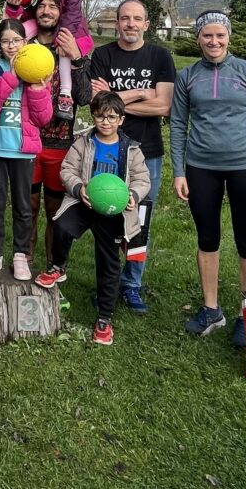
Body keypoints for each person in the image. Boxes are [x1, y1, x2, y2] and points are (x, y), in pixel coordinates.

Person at [171, 10, 246, 348]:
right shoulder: (187, 76)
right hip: (200, 166)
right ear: (198, 38)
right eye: (207, 35)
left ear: (229, 37)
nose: (214, 41)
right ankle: (210, 309)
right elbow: (178, 125)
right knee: (207, 239)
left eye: (220, 35)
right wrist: (179, 171)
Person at [80, 0, 176, 314]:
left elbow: (163, 106)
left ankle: (132, 285)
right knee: (106, 217)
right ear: (117, 23)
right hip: (107, 150)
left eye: (137, 18)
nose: (131, 24)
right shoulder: (103, 55)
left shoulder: (160, 56)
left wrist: (116, 103)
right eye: (125, 18)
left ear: (146, 24)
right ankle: (107, 284)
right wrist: (139, 93)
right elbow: (96, 104)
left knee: (141, 219)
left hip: (146, 152)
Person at [35, 94, 150, 346]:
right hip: (84, 204)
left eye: (111, 117)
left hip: (113, 212)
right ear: (94, 116)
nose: (105, 122)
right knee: (61, 226)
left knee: (108, 262)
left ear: (121, 119)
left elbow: (143, 179)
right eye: (100, 116)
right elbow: (67, 169)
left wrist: (133, 195)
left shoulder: (131, 149)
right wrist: (79, 189)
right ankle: (58, 267)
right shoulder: (83, 143)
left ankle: (104, 320)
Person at [0, 19, 53, 280]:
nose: (11, 46)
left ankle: (21, 255)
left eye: (16, 40)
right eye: (6, 41)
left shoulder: (37, 71)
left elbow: (43, 119)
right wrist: (10, 76)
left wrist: (39, 89)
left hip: (23, 151)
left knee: (23, 205)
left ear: (25, 42)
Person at [25, 0, 90, 274]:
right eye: (42, 6)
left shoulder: (74, 49)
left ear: (62, 13)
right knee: (27, 209)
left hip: (60, 144)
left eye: (53, 6)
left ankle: (53, 267)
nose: (47, 11)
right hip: (26, 141)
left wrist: (75, 58)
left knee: (54, 212)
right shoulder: (23, 45)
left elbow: (86, 96)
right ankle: (23, 262)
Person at [4, 0, 93, 120]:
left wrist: (63, 35)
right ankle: (10, 77)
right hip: (24, 123)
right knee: (14, 36)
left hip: (70, 24)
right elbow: (22, 14)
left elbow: (73, 10)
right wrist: (13, 6)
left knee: (64, 48)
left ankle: (65, 94)